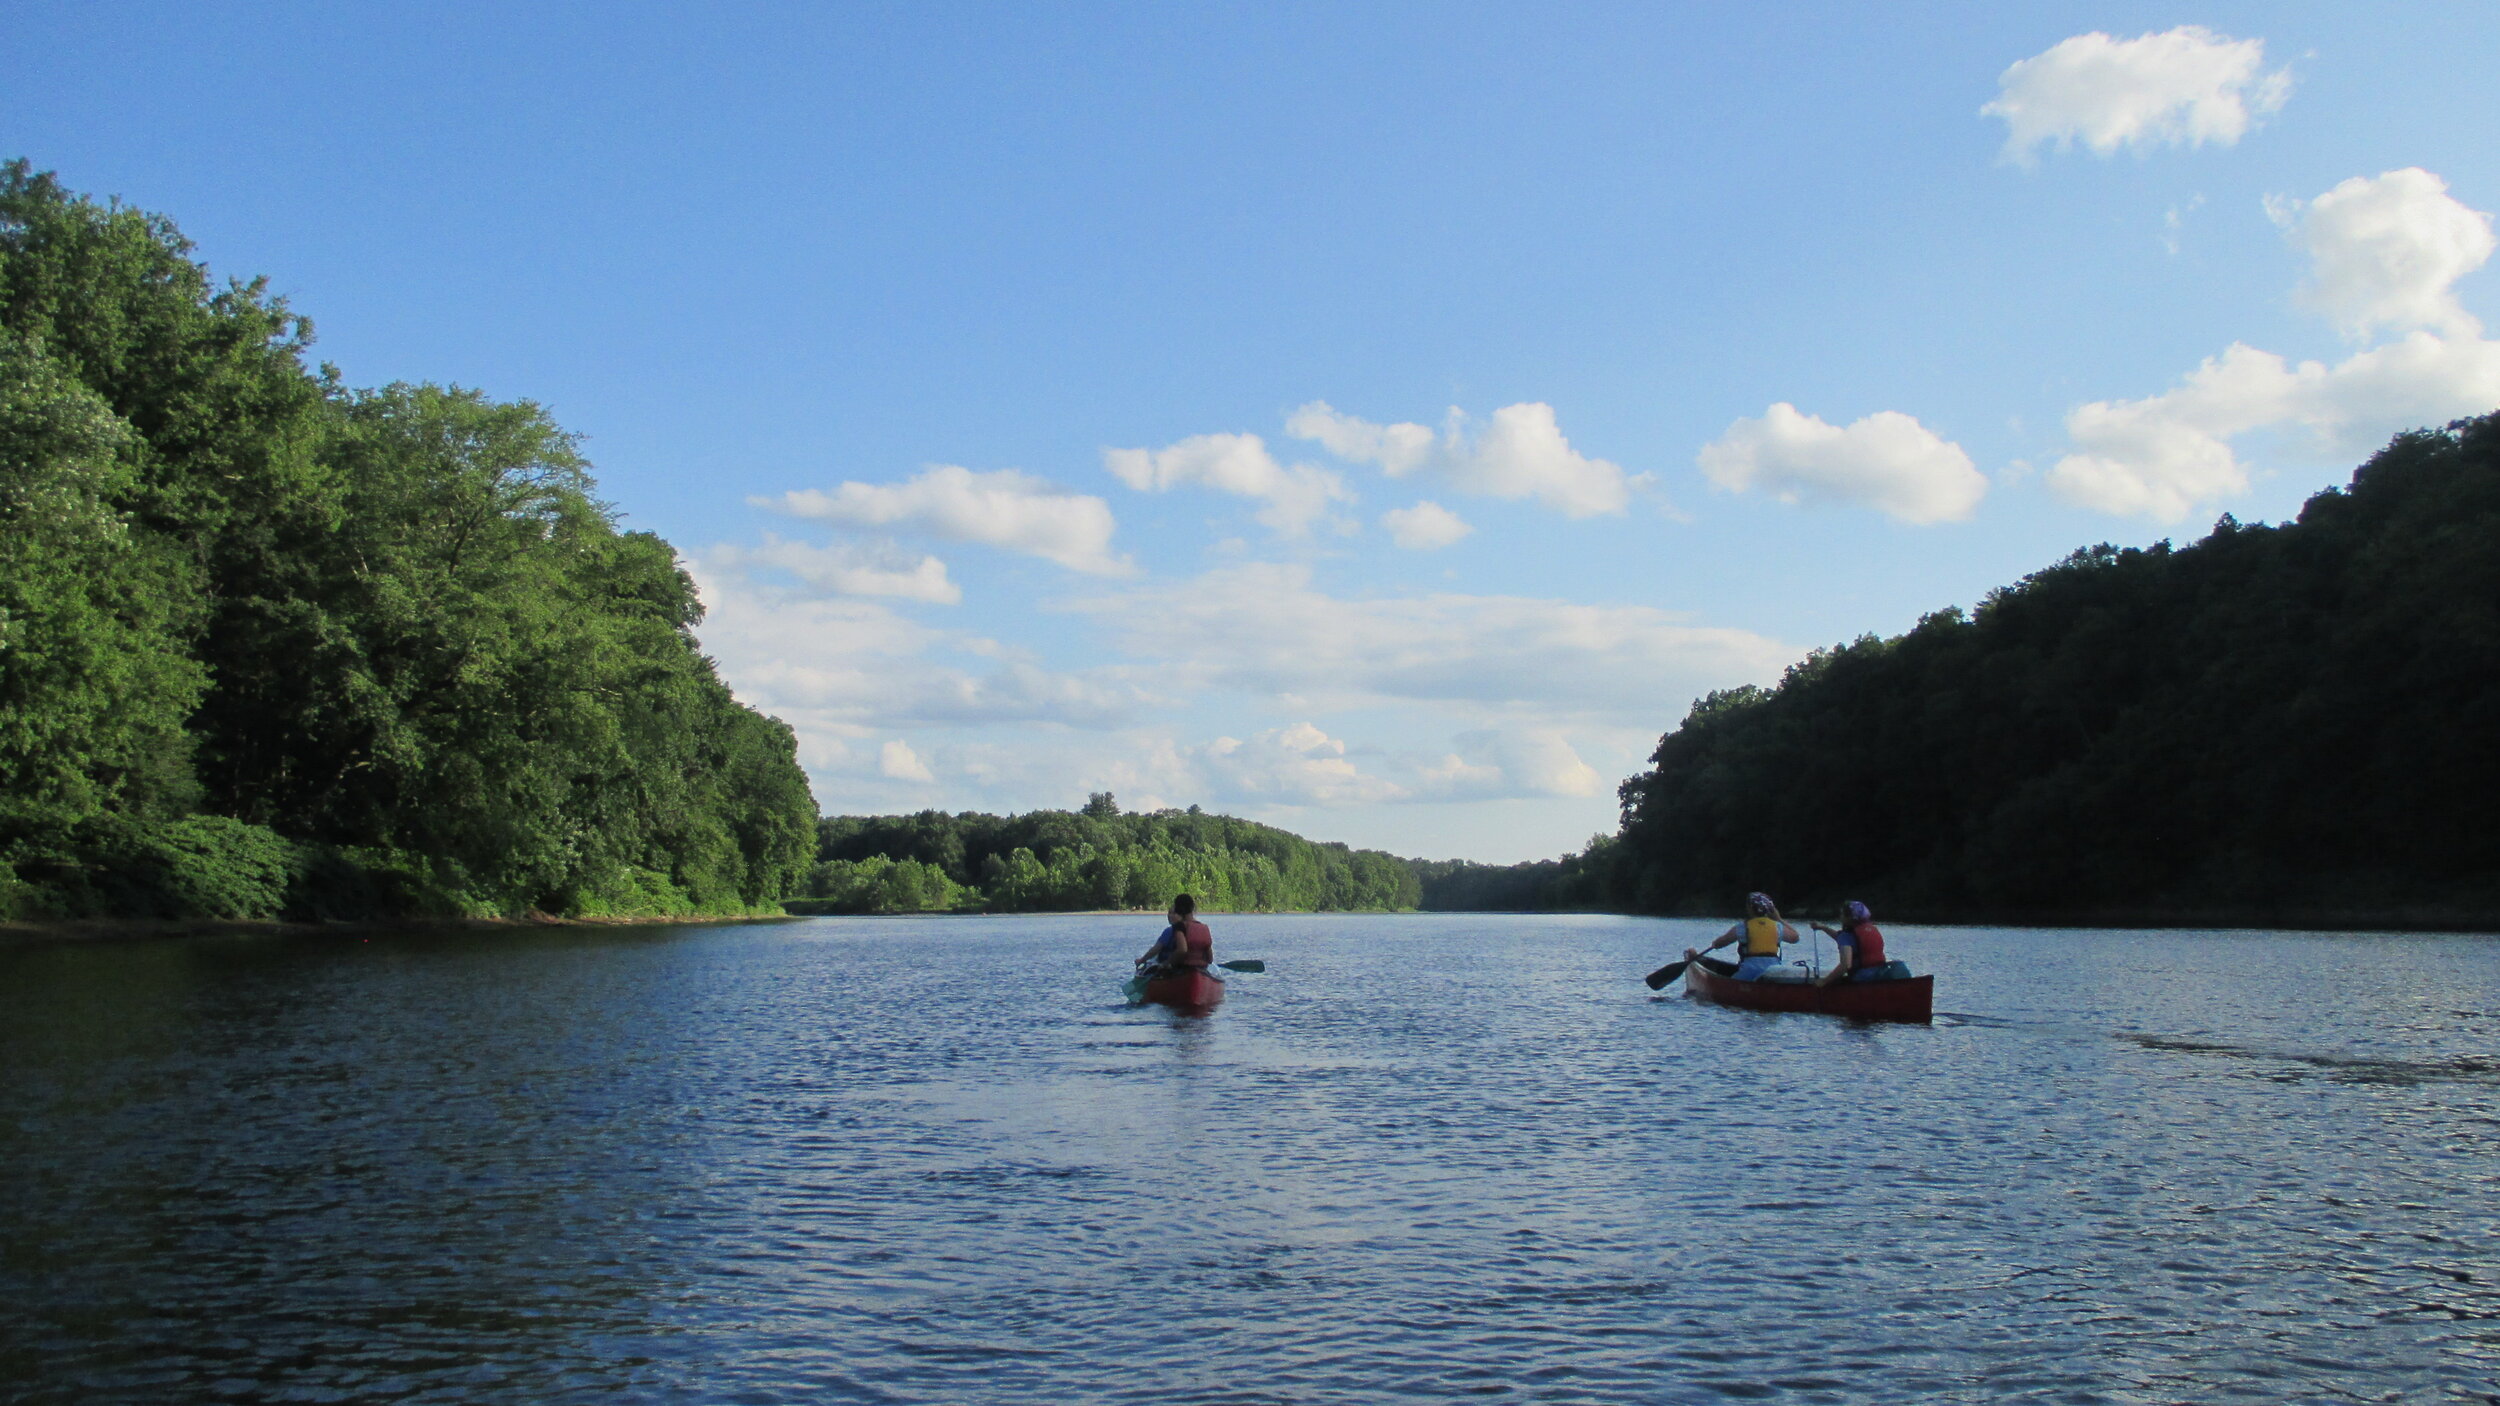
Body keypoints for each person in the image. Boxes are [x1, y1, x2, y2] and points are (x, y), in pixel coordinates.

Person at [1686, 891, 1799, 981]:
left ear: (1750, 908)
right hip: (1773, 970)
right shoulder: (1777, 926)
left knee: (1730, 984)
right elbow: (1795, 937)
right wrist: (1778, 918)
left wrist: (1715, 944)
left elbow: (1721, 943)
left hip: (1750, 971)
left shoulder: (1743, 927)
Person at [1812, 901, 1893, 985]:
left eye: (1842, 914)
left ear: (1849, 917)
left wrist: (1824, 981)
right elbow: (1842, 939)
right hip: (1880, 972)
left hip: (1862, 977)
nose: (1840, 917)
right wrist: (1823, 927)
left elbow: (1846, 965)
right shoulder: (1871, 929)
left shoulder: (1847, 935)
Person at [1135, 893, 1213, 977]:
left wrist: (1166, 963)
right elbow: (1210, 959)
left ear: (1178, 909)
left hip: (1183, 970)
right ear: (1192, 907)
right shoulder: (1204, 928)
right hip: (1200, 970)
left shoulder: (1179, 927)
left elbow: (1182, 950)